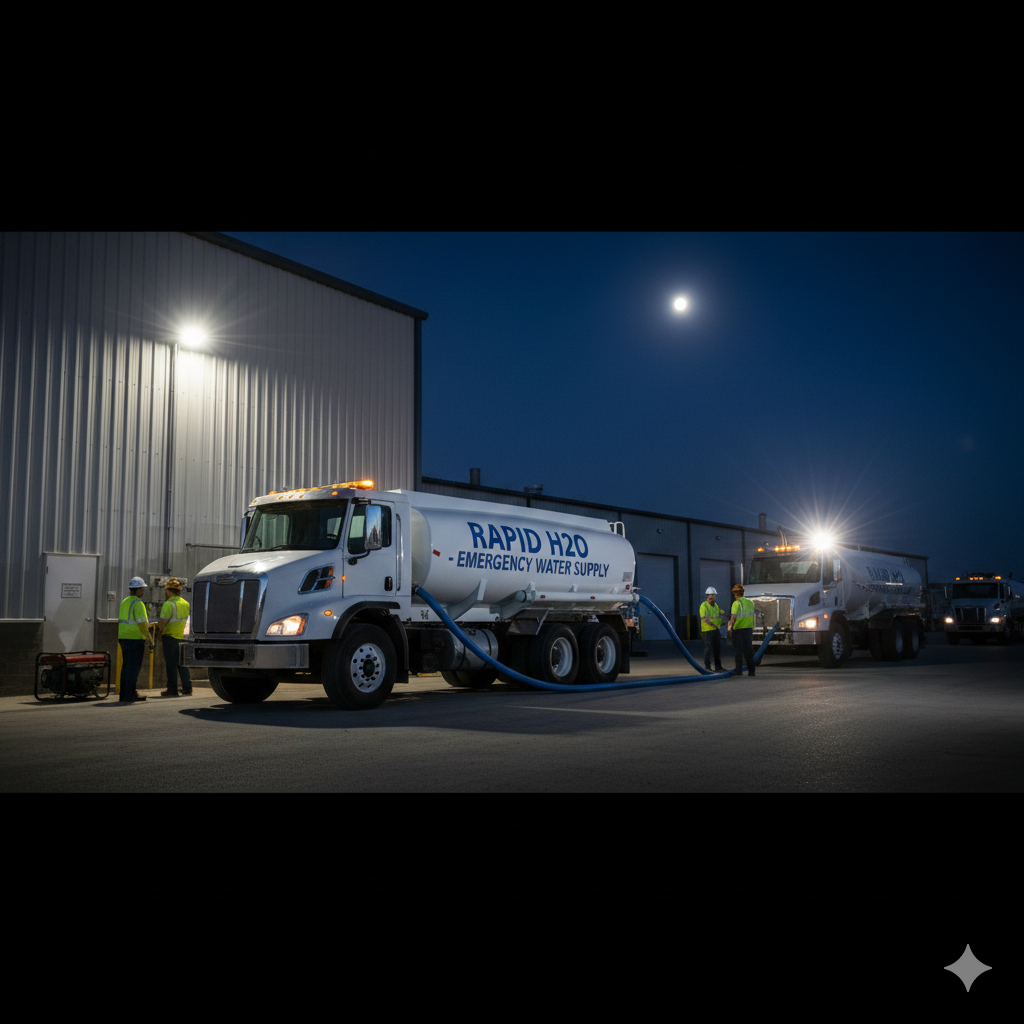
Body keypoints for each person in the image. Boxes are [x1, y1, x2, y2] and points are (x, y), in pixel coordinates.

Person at [156, 578, 192, 697]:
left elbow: (162, 623)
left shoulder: (169, 604)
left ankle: (172, 689)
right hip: (182, 637)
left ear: (168, 591)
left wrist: (158, 632)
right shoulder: (186, 604)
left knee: (171, 665)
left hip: (170, 638)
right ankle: (187, 688)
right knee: (182, 663)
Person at [118, 576, 151, 702]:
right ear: (140, 590)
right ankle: (131, 694)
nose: (143, 591)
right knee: (133, 668)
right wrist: (148, 639)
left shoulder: (124, 601)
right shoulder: (138, 603)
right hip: (135, 639)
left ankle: (124, 694)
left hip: (123, 638)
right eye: (143, 589)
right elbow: (143, 624)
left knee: (126, 667)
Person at [727, 583, 757, 677]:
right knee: (748, 650)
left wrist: (729, 629)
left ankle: (738, 670)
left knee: (738, 651)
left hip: (738, 630)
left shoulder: (736, 603)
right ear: (743, 592)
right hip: (748, 629)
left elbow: (733, 618)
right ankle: (751, 671)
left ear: (734, 593)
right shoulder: (751, 602)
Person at [699, 586, 724, 671]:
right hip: (707, 630)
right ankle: (708, 667)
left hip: (715, 630)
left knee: (717, 648)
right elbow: (703, 618)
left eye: (713, 595)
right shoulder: (704, 605)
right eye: (710, 595)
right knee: (708, 649)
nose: (712, 596)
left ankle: (718, 666)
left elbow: (718, 614)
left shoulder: (715, 605)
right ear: (707, 595)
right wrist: (713, 625)